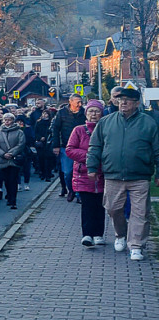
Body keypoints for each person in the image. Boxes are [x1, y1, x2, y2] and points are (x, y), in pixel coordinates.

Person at [87, 87, 159, 262]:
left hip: (140, 175)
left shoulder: (148, 123)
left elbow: (157, 149)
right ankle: (121, 234)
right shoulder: (106, 122)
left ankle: (136, 245)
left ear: (136, 103)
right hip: (113, 174)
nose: (123, 103)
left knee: (140, 212)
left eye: (127, 100)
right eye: (120, 100)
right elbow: (95, 146)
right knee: (113, 208)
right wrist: (92, 167)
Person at [66, 99, 106, 248]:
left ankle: (99, 234)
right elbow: (70, 149)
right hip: (84, 174)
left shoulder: (105, 129)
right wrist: (90, 156)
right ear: (86, 113)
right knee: (87, 205)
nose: (93, 114)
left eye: (97, 111)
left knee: (100, 205)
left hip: (102, 174)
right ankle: (87, 234)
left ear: (101, 113)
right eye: (91, 111)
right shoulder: (79, 130)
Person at [51, 93, 86, 201]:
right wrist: (56, 145)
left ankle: (79, 194)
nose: (80, 104)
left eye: (81, 102)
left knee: (81, 171)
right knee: (67, 172)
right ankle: (71, 190)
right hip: (66, 146)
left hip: (81, 146)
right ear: (70, 102)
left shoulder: (84, 112)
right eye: (77, 102)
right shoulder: (62, 113)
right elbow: (55, 129)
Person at [0, 113, 26, 210]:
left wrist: (11, 153)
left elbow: (21, 144)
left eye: (9, 119)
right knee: (6, 180)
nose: (7, 121)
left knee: (13, 179)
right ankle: (9, 196)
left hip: (14, 160)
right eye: (5, 119)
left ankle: (13, 200)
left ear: (13, 120)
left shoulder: (19, 132)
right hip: (3, 160)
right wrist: (3, 154)